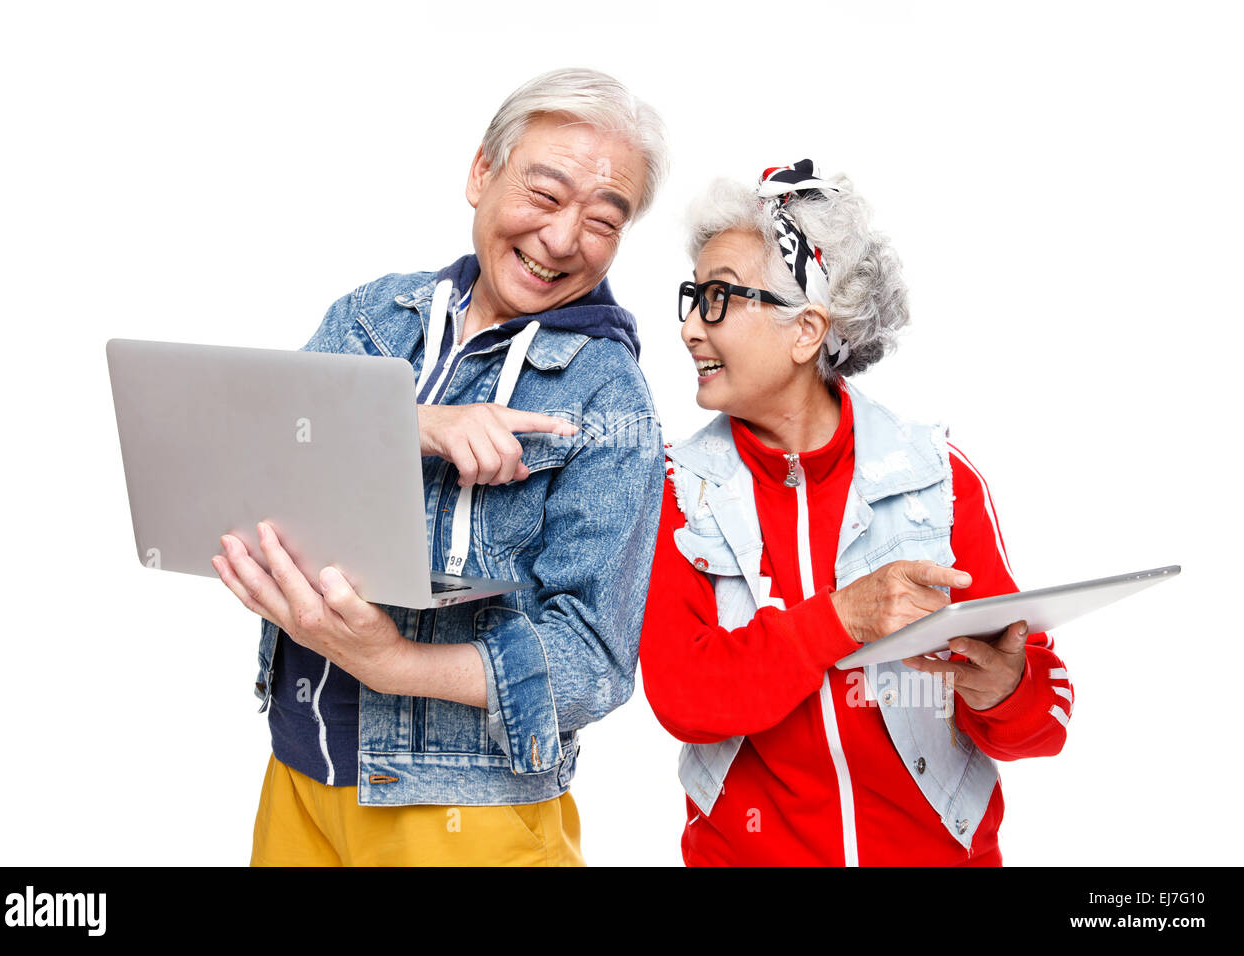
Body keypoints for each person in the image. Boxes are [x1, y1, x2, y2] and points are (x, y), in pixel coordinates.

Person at [211, 68, 668, 866]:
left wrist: (395, 663)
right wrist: (413, 426)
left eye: (603, 219)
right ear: (481, 174)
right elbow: (260, 456)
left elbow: (594, 663)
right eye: (546, 194)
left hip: (466, 810)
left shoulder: (607, 390)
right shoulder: (372, 314)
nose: (564, 240)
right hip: (298, 767)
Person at [640, 160, 1073, 866]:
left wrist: (1006, 691)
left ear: (807, 331)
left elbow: (1042, 728)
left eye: (718, 299)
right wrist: (840, 619)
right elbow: (684, 695)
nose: (690, 327)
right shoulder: (674, 488)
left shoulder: (938, 479)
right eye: (690, 297)